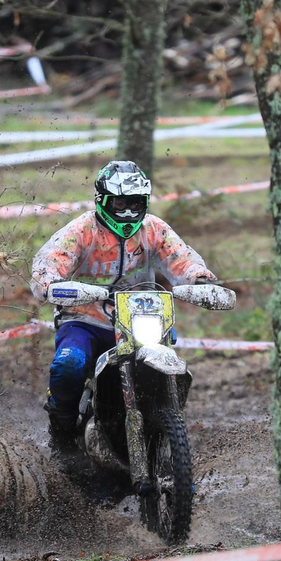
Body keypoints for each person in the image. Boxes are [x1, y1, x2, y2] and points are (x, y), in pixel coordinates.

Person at [29, 160, 218, 445]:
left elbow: (181, 258)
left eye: (135, 203)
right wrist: (51, 283)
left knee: (169, 366)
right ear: (102, 200)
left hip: (143, 318)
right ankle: (63, 429)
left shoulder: (153, 229)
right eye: (120, 203)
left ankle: (171, 443)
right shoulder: (83, 230)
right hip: (86, 319)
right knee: (69, 364)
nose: (128, 212)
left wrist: (199, 279)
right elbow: (50, 261)